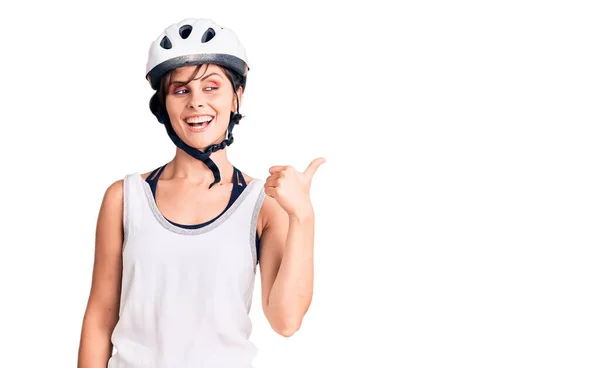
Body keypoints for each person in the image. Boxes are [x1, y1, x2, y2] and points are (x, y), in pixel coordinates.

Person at [77, 18, 325, 367]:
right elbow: (100, 320)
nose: (196, 102)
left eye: (211, 87)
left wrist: (302, 216)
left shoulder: (263, 203)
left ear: (236, 97)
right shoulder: (124, 197)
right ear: (163, 104)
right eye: (181, 90)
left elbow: (286, 321)